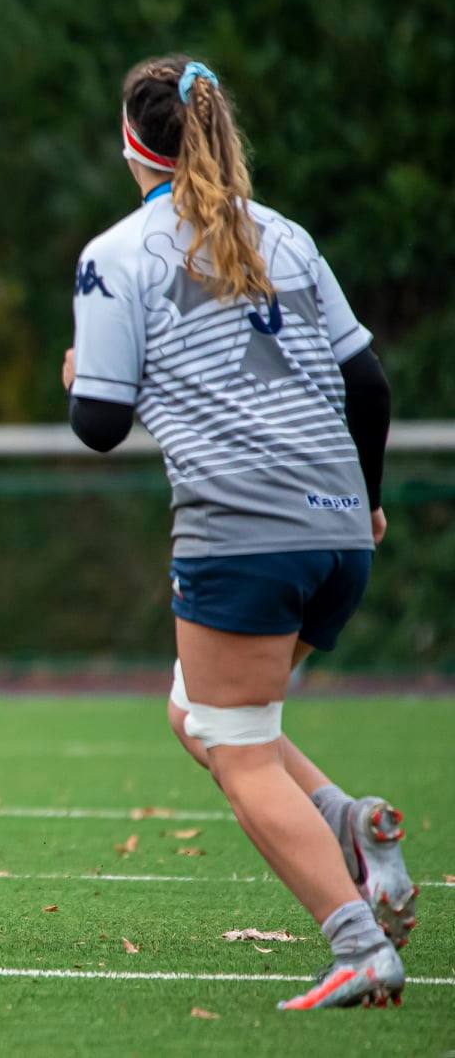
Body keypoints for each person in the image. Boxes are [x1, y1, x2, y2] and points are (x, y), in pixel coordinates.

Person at [66, 57, 412, 1009]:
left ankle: (359, 945)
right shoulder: (287, 236)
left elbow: (98, 424)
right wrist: (370, 499)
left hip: (244, 529)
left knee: (237, 747)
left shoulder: (118, 254)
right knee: (200, 712)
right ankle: (350, 823)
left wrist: (78, 377)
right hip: (340, 526)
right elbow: (368, 384)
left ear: (130, 144)